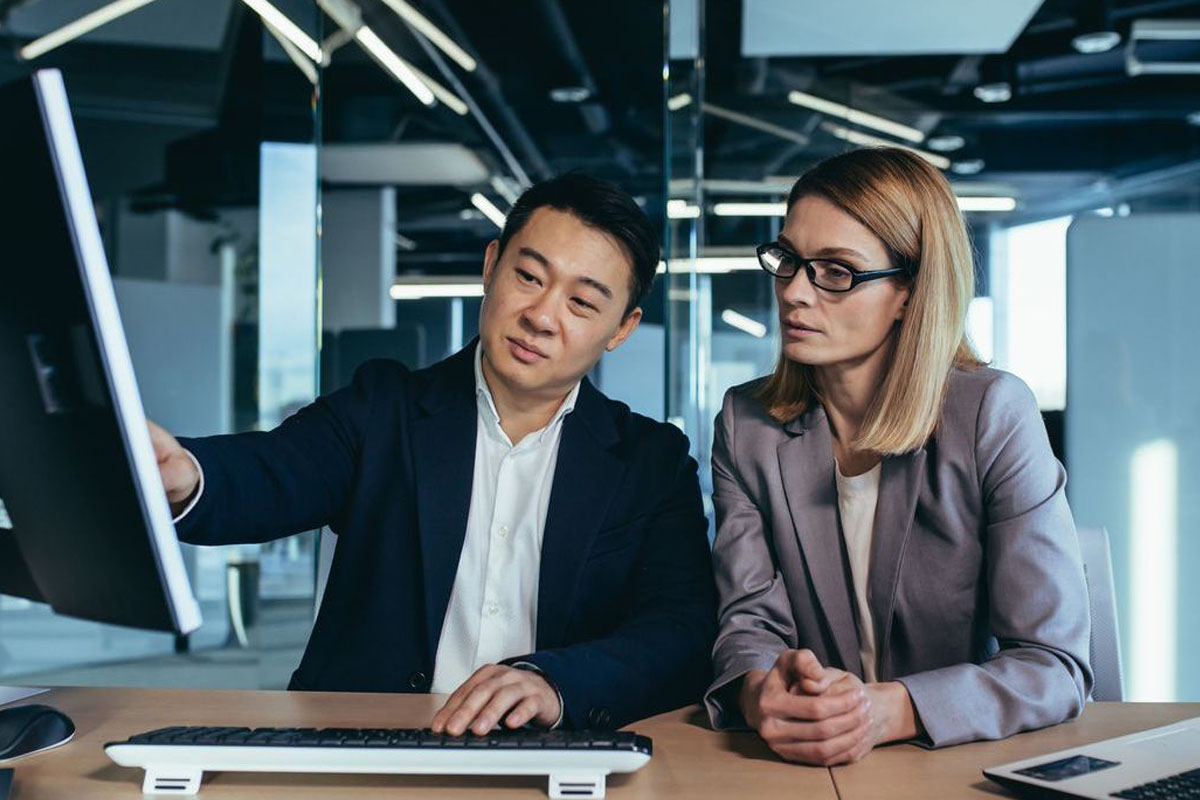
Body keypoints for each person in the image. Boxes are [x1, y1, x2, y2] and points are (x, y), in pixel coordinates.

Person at [151, 173, 716, 734]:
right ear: (491, 266)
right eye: (527, 276)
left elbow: (679, 630)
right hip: (364, 751)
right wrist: (185, 473)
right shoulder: (384, 409)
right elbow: (274, 471)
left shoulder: (652, 462)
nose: (542, 317)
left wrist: (556, 684)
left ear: (622, 328)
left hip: (552, 757)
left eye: (582, 303)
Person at [703, 147, 1092, 764]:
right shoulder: (746, 425)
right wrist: (760, 694)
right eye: (788, 260)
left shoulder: (993, 414)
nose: (794, 293)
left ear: (909, 293)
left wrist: (889, 709)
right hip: (804, 770)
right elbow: (748, 623)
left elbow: (1054, 664)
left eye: (836, 271)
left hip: (960, 763)